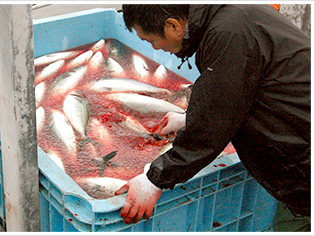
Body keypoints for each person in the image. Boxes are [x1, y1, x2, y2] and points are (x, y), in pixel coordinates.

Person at [115, 4, 311, 229]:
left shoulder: (229, 35)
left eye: (151, 40)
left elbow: (210, 130)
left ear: (173, 25)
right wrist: (190, 118)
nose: (156, 48)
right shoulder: (225, 16)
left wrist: (154, 180)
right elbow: (237, 91)